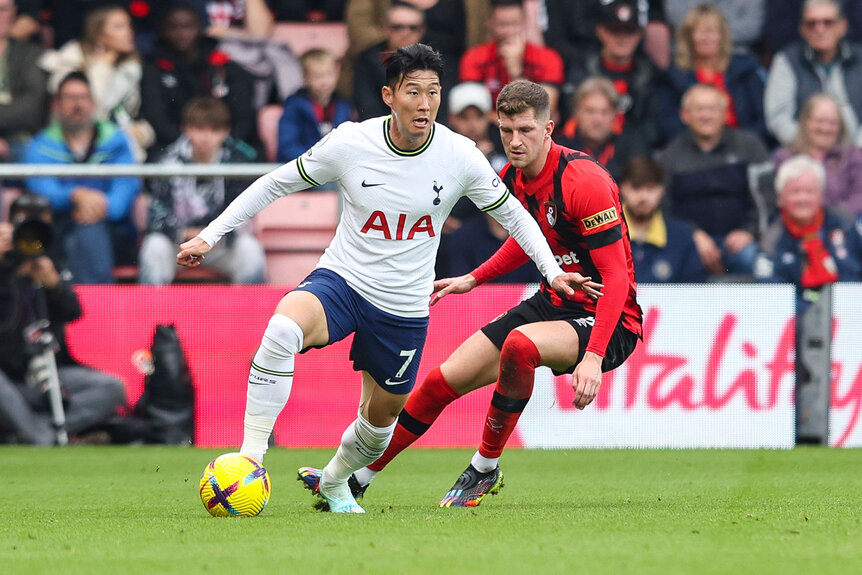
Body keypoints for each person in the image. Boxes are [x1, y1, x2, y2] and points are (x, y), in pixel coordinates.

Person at [176, 45, 590, 514]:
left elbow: (513, 215)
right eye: (413, 91)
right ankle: (250, 459)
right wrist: (211, 236)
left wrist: (552, 271)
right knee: (282, 329)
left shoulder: (459, 155)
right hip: (344, 280)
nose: (425, 103)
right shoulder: (351, 143)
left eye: (433, 92)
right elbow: (277, 182)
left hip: (404, 306)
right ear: (389, 96)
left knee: (379, 427)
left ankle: (334, 482)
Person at [300, 79, 642, 508]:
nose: (515, 142)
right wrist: (473, 278)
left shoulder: (584, 182)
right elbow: (527, 237)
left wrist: (593, 356)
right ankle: (357, 478)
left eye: (525, 131)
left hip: (609, 320)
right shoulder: (513, 176)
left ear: (549, 129)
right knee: (442, 380)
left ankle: (484, 468)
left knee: (519, 346)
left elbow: (618, 280)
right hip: (554, 303)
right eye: (506, 131)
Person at [0, 193, 126, 445]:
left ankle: (39, 430)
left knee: (113, 388)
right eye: (25, 227)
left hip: (50, 373)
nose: (30, 238)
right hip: (9, 378)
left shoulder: (52, 261)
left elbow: (73, 312)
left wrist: (54, 285)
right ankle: (42, 437)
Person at [24, 72, 140, 284]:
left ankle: (84, 308)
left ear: (93, 103)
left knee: (87, 230)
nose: (77, 105)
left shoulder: (117, 140)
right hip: (58, 227)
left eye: (82, 97)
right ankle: (97, 308)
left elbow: (127, 186)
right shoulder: (40, 145)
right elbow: (39, 186)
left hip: (113, 227)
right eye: (69, 98)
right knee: (77, 236)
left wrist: (101, 206)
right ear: (56, 104)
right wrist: (74, 195)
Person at [139, 97, 264, 285]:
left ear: (225, 132)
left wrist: (212, 235)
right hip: (179, 243)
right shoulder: (166, 162)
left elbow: (245, 214)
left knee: (250, 249)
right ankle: (149, 313)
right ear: (186, 128)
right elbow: (157, 214)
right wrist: (185, 234)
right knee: (154, 246)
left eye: (214, 130)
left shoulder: (238, 163)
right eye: (199, 128)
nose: (206, 136)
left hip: (221, 244)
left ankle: (254, 313)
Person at [657, 83, 770, 277]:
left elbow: (767, 198)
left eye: (712, 109)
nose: (706, 115)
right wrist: (691, 235)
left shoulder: (750, 147)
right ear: (685, 115)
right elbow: (663, 207)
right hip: (690, 244)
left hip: (742, 243)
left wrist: (749, 232)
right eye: (699, 109)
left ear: (725, 114)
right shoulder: (670, 156)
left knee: (754, 262)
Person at [38, 5, 155, 160]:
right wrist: (101, 66)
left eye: (129, 25)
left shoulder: (131, 68)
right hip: (73, 149)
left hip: (120, 148)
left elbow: (135, 116)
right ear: (100, 34)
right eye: (119, 26)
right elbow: (93, 112)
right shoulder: (71, 62)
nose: (129, 32)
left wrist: (140, 133)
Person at [141, 4, 258, 156]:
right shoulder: (154, 68)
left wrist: (218, 140)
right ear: (164, 31)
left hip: (225, 143)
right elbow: (157, 118)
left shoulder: (223, 65)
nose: (182, 34)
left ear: (200, 28)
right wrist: (189, 144)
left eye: (188, 27)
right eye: (174, 27)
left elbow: (244, 117)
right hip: (174, 146)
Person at [754, 154, 862, 311]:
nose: (802, 199)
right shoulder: (771, 240)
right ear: (780, 198)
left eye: (809, 191)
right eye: (795, 192)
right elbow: (771, 295)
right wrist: (816, 316)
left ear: (820, 195)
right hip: (800, 323)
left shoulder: (847, 224)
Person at [654, 3, 767, 147]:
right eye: (700, 32)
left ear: (723, 36)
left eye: (712, 32)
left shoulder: (745, 70)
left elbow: (762, 120)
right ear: (689, 37)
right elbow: (667, 123)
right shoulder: (675, 76)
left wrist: (742, 143)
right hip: (693, 151)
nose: (707, 38)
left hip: (742, 148)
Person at [765, 0, 862, 147]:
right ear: (802, 29)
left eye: (828, 22)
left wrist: (858, 149)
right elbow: (778, 118)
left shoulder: (860, 57)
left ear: (842, 26)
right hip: (805, 154)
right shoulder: (787, 60)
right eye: (812, 23)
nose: (820, 29)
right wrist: (810, 149)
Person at [561, 0, 660, 142]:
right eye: (615, 31)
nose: (622, 39)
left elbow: (653, 129)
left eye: (629, 32)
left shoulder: (651, 76)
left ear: (639, 35)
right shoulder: (580, 72)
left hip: (633, 152)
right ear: (601, 32)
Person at [459, 0, 564, 121]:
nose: (509, 32)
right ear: (490, 23)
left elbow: (544, 113)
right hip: (488, 132)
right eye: (502, 25)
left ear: (525, 22)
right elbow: (472, 116)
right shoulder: (474, 57)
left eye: (515, 24)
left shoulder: (548, 58)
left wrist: (516, 72)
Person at [773, 93, 862, 217]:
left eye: (832, 123)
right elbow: (778, 200)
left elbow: (859, 197)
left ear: (840, 127)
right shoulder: (785, 158)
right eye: (819, 121)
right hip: (798, 226)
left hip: (846, 226)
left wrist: (828, 218)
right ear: (805, 122)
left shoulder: (853, 156)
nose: (825, 128)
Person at [619, 156, 707, 283]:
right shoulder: (604, 234)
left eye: (650, 189)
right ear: (623, 189)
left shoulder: (681, 236)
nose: (643, 197)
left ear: (661, 190)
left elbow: (694, 292)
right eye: (636, 187)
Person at [556, 77, 648, 182]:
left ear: (615, 116)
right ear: (576, 112)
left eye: (605, 112)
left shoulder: (632, 146)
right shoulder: (559, 149)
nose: (597, 120)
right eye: (590, 111)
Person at [352, 2, 427, 121]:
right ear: (385, 28)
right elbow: (367, 109)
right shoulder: (367, 61)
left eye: (413, 27)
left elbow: (439, 111)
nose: (405, 33)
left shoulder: (434, 62)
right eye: (397, 27)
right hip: (379, 132)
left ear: (422, 31)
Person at [277, 48, 352, 163]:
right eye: (318, 76)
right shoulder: (294, 106)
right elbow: (287, 147)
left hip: (335, 170)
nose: (325, 81)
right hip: (303, 171)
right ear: (305, 78)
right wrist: (316, 161)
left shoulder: (343, 105)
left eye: (329, 74)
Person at [0, 0, 48, 163]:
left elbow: (32, 108)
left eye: (2, 9)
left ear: (13, 12)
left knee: (36, 153)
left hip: (20, 140)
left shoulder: (31, 54)